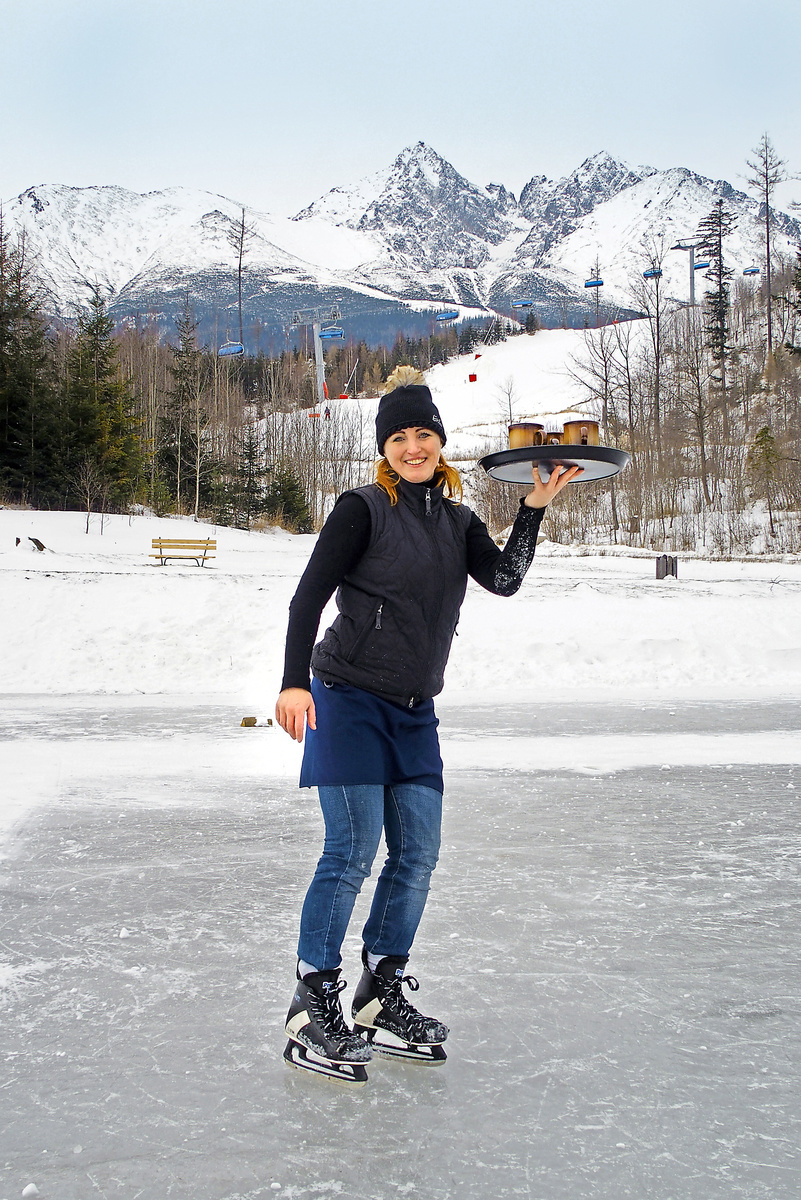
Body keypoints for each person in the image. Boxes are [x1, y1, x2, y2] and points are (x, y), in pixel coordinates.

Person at [276, 366, 580, 1085]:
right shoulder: (360, 508)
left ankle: (380, 992)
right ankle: (310, 996)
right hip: (346, 696)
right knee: (351, 851)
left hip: (415, 710)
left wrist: (533, 508)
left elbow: (502, 579)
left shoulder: (457, 521)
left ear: (440, 444)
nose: (412, 447)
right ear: (384, 447)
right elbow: (306, 599)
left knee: (417, 856)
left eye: (424, 435)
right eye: (399, 437)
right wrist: (292, 682)